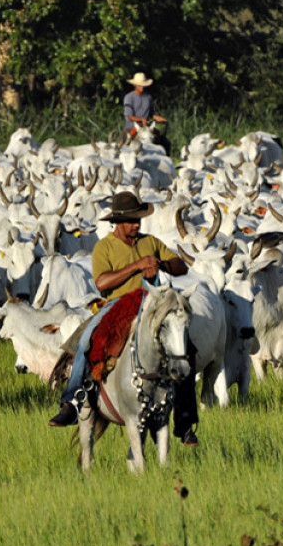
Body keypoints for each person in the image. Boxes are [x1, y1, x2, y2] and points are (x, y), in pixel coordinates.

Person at [48, 191, 198, 445]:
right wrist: (137, 266)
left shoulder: (150, 241)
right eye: (131, 220)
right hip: (117, 304)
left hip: (152, 303)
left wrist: (160, 265)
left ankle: (184, 419)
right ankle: (72, 400)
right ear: (117, 222)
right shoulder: (103, 247)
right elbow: (102, 282)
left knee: (186, 350)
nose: (137, 224)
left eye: (138, 219)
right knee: (86, 339)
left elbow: (181, 266)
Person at [123, 72, 170, 153]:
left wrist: (158, 118)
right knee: (122, 142)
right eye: (140, 85)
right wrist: (141, 120)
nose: (142, 87)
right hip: (132, 127)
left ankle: (166, 160)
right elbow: (129, 116)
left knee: (165, 142)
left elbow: (151, 113)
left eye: (143, 85)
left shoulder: (148, 97)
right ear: (135, 85)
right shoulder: (129, 97)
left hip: (147, 126)